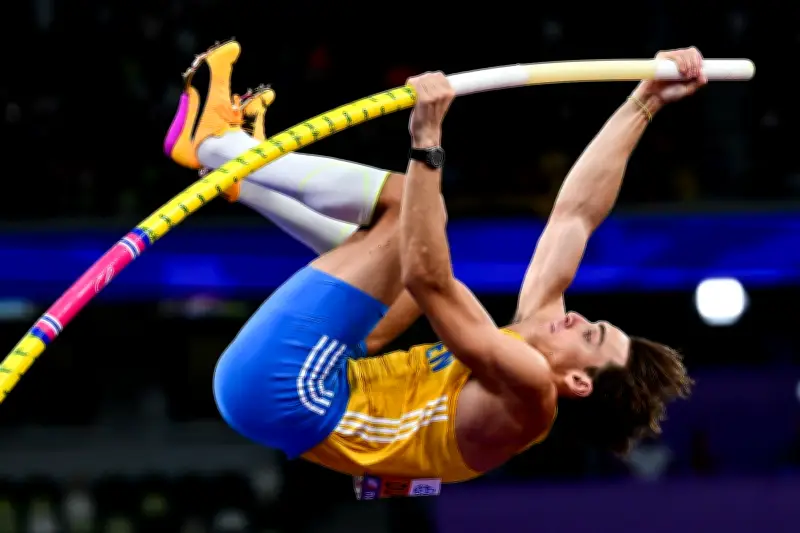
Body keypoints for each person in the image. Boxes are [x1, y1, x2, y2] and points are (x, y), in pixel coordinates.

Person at [168, 41, 698, 496]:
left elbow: (430, 277)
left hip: (283, 392)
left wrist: (427, 141)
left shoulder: (531, 391)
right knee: (408, 248)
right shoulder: (538, 339)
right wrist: (643, 102)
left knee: (410, 210)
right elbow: (575, 216)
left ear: (578, 381)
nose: (579, 317)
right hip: (333, 380)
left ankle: (219, 145)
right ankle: (247, 174)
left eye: (591, 334)